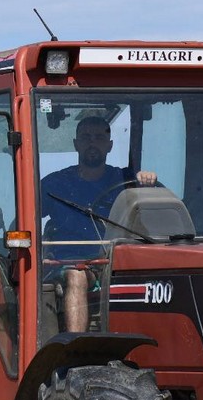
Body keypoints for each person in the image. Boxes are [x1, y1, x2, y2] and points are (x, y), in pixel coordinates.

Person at [41, 116, 156, 331]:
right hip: (65, 264)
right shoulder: (54, 184)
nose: (92, 142)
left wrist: (148, 183)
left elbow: (157, 216)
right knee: (76, 275)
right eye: (86, 137)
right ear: (76, 144)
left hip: (116, 264)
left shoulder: (127, 180)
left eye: (99, 138)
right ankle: (75, 345)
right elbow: (24, 220)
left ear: (109, 145)